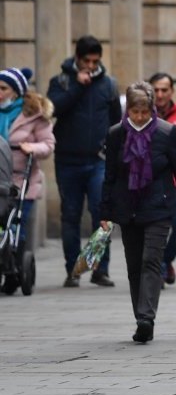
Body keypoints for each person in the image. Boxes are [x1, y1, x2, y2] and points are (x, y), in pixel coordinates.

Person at [99, 82, 176, 344]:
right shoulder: (116, 134)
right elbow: (109, 176)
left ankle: (147, 317)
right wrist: (105, 211)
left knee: (151, 261)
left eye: (145, 112)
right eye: (135, 112)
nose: (141, 117)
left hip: (158, 206)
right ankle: (140, 317)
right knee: (134, 264)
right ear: (128, 110)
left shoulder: (166, 133)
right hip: (127, 207)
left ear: (152, 109)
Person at [47, 35, 121, 287]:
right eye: (87, 61)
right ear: (77, 59)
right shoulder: (61, 81)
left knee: (102, 214)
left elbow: (116, 123)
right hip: (67, 161)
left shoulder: (108, 85)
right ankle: (74, 270)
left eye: (95, 61)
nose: (91, 66)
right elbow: (54, 109)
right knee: (70, 215)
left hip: (98, 160)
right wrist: (78, 86)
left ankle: (99, 268)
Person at [1, 68, 54, 247]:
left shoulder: (34, 114)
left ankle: (16, 261)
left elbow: (48, 144)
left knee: (16, 226)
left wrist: (32, 147)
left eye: (3, 89)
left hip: (21, 180)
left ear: (16, 91)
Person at [149, 72, 176, 284]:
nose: (160, 94)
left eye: (164, 90)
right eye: (156, 90)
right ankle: (156, 268)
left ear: (172, 91)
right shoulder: (141, 114)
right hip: (151, 184)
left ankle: (165, 260)